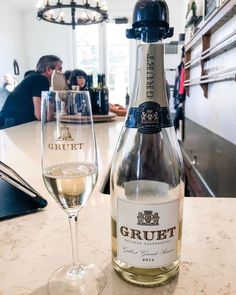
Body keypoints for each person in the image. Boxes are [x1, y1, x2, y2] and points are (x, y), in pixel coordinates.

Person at [0, 55, 62, 129]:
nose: (61, 73)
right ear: (48, 69)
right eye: (59, 70)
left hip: (10, 121)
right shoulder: (41, 79)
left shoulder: (34, 77)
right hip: (11, 124)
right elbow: (40, 115)